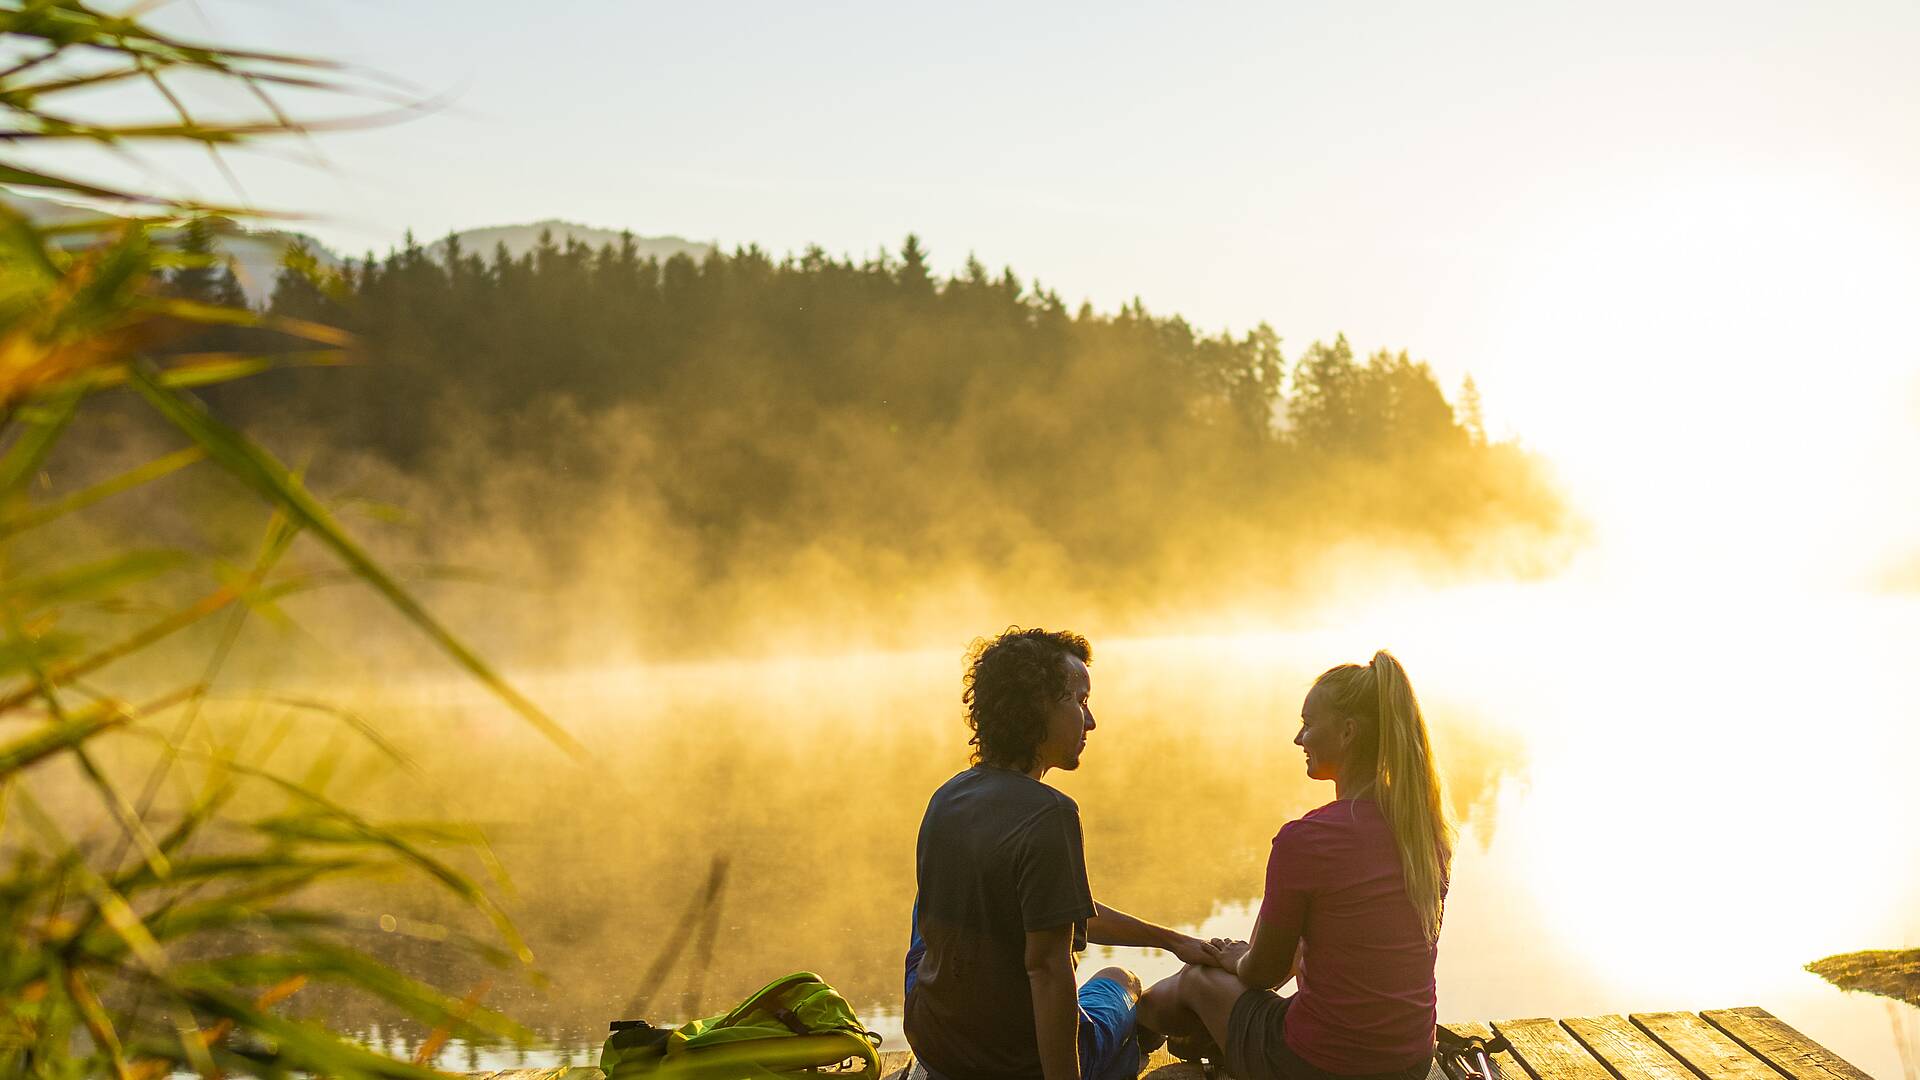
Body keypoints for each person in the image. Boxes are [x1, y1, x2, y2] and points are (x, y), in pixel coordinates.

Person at [904, 627, 1225, 1080]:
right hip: (1015, 1064)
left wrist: (1171, 940)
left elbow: (1052, 908)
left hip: (936, 1042)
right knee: (1121, 980)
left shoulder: (948, 795)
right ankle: (1126, 1052)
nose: (1090, 721)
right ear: (1036, 706)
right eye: (1079, 701)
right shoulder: (1050, 813)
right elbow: (1047, 970)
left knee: (935, 904)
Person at [1136, 650, 1453, 1080]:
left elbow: (1262, 973)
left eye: (1308, 724)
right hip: (1410, 1062)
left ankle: (1138, 1027)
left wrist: (1235, 959)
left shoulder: (1307, 840)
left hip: (1317, 1067)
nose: (1298, 739)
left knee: (1196, 979)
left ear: (1347, 732)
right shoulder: (1426, 834)